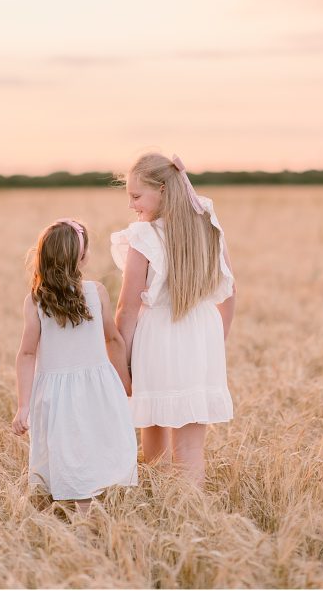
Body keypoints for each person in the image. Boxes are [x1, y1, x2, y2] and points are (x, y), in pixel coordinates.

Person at [112, 153, 236, 484]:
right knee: (191, 447)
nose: (131, 205)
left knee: (153, 424)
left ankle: (159, 507)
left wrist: (121, 362)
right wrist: (215, 343)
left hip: (159, 337)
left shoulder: (143, 236)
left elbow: (127, 308)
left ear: (163, 190)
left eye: (136, 196)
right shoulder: (207, 222)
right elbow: (229, 289)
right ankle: (192, 515)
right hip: (202, 335)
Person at [13, 218, 137, 510]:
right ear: (82, 257)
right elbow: (114, 340)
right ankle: (87, 513)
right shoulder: (96, 293)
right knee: (96, 445)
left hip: (55, 395)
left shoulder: (35, 301)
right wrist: (125, 382)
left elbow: (27, 354)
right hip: (98, 388)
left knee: (64, 451)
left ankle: (68, 512)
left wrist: (23, 405)